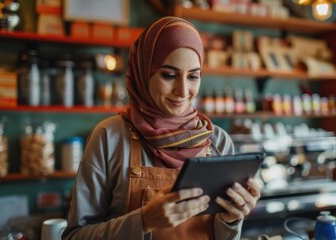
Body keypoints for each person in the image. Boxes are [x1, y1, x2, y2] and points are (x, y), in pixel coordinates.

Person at [62, 16, 261, 240]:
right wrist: (144, 221)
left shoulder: (218, 141)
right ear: (144, 72)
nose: (183, 91)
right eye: (168, 75)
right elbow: (75, 236)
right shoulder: (109, 137)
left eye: (193, 76)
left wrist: (231, 219)